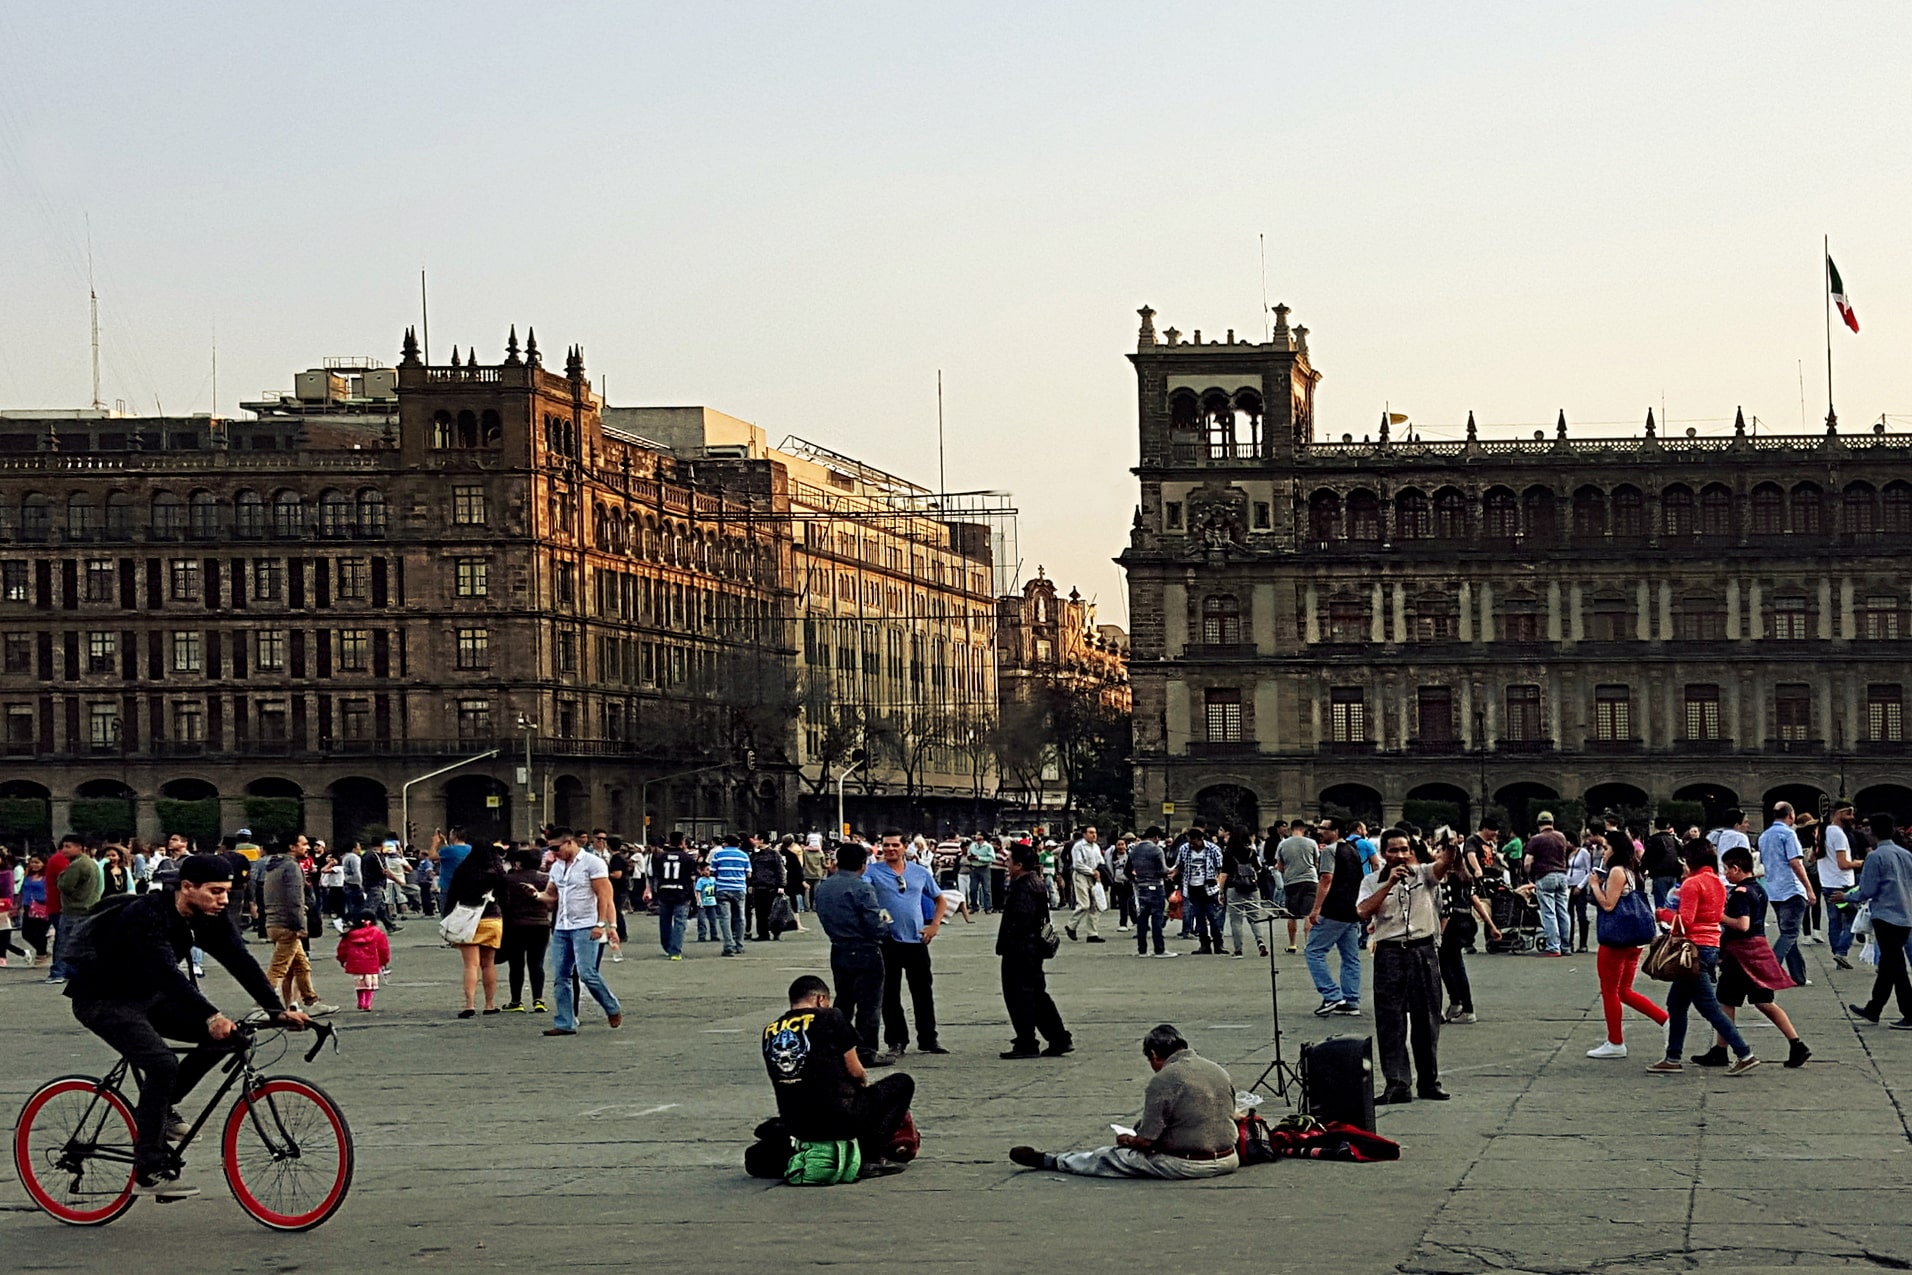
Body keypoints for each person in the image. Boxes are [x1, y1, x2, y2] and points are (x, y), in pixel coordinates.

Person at [66, 854, 312, 1194]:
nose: (224, 900)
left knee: (233, 1039)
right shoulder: (147, 914)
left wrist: (276, 1010)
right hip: (103, 1000)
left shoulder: (208, 918)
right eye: (215, 891)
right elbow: (166, 974)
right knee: (162, 1064)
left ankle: (160, 1109)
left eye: (227, 891)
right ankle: (149, 1167)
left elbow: (239, 959)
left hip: (149, 997)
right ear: (186, 887)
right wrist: (211, 1016)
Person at [1008, 1025, 1238, 1179]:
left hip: (1189, 1164)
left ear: (1155, 1054)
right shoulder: (1216, 1069)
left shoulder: (1165, 1079)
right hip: (1229, 1157)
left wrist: (1128, 1139)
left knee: (1108, 1157)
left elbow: (1147, 1140)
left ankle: (1053, 1161)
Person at [763, 975, 914, 1176]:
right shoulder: (830, 1016)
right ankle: (870, 1155)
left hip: (797, 1123)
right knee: (902, 1083)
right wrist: (864, 1089)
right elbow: (856, 1070)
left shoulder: (771, 1030)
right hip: (838, 1118)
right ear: (819, 999)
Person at [1690, 847, 1811, 1069]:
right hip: (1758, 949)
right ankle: (1796, 1043)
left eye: (1726, 869)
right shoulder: (1758, 889)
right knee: (1764, 1001)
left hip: (1741, 953)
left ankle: (1722, 1049)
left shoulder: (1740, 893)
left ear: (1736, 868)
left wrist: (1720, 917)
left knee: (1726, 1000)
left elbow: (1742, 924)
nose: (1725, 874)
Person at [1357, 828, 1452, 1103]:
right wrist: (1388, 885)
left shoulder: (1424, 874)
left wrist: (1452, 846)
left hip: (1422, 950)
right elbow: (1363, 911)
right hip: (1389, 953)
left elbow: (1444, 865)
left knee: (1427, 1019)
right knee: (1390, 1020)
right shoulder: (1371, 880)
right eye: (1393, 851)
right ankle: (1397, 1084)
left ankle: (1429, 1082)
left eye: (1404, 850)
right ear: (1384, 854)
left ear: (1411, 851)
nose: (1399, 856)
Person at [1648, 841, 1759, 1075]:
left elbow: (1684, 921)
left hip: (1692, 950)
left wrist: (1662, 913)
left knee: (1708, 1007)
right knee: (1677, 1004)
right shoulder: (1718, 882)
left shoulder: (1693, 884)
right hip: (1709, 946)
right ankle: (1672, 1056)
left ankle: (1744, 1052)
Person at [866, 830, 948, 1057]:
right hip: (887, 940)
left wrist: (935, 925)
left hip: (916, 940)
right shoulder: (872, 872)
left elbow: (940, 898)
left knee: (923, 992)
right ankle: (896, 1040)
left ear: (904, 847)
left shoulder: (919, 872)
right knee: (889, 993)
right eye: (886, 845)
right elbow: (863, 894)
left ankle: (928, 1038)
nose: (890, 849)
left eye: (895, 845)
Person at [1585, 834, 1666, 1058]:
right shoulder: (1633, 871)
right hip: (1634, 939)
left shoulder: (1617, 871)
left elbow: (1608, 904)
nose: (1603, 852)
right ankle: (1665, 1020)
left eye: (1607, 847)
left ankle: (1615, 1041)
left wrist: (1594, 886)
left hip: (1616, 938)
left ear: (1616, 849)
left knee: (1610, 990)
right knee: (1624, 990)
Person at [812, 841, 892, 1068]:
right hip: (864, 948)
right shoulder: (861, 887)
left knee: (844, 1001)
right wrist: (886, 927)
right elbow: (874, 923)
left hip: (838, 947)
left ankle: (838, 1048)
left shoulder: (825, 887)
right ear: (863, 865)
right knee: (869, 1004)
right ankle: (866, 1052)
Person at [536, 829, 623, 1037]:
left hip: (587, 924)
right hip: (562, 926)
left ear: (569, 843)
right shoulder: (557, 867)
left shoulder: (593, 863)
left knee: (586, 973)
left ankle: (611, 1006)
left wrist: (603, 924)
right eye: (550, 848)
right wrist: (535, 894)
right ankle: (566, 1022)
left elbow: (604, 896)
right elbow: (551, 895)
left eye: (556, 848)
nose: (553, 852)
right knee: (560, 976)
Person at [998, 843, 1071, 1058]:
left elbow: (1022, 918)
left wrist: (1010, 940)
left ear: (1019, 865)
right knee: (1037, 994)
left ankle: (1026, 1041)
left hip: (1021, 948)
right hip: (1032, 948)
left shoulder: (1023, 886)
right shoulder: (1035, 882)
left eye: (1010, 860)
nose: (1007, 864)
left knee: (1019, 996)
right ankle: (1058, 1037)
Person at [1846, 812, 1912, 1029]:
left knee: (1896, 966)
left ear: (1872, 832)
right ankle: (1874, 1008)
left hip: (1886, 915)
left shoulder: (1876, 856)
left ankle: (1910, 1013)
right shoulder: (1905, 853)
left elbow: (1867, 890)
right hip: (1906, 913)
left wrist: (1845, 897)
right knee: (1887, 965)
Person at [261, 837, 339, 1016]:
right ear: (291, 846)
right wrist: (300, 925)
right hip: (287, 924)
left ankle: (311, 1001)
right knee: (278, 968)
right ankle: (260, 1004)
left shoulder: (273, 866)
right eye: (303, 844)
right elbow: (296, 899)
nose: (308, 848)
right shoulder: (291, 867)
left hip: (274, 922)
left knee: (301, 965)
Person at [1304, 817, 1364, 1017]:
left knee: (1314, 951)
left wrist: (1316, 908)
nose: (1320, 831)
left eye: (1324, 828)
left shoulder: (1330, 851)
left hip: (1334, 909)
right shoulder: (1352, 850)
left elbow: (1326, 879)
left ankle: (1332, 995)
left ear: (1336, 831)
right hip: (1351, 909)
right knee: (1350, 957)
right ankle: (1351, 999)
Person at [1757, 802, 1815, 988]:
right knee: (1790, 933)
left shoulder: (1764, 836)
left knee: (1788, 934)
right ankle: (1769, 970)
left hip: (1774, 889)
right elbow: (1796, 863)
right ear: (1791, 815)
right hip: (1791, 888)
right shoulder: (1789, 834)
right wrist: (1809, 888)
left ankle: (1798, 975)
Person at [446, 841, 507, 1019]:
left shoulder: (463, 871)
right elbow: (505, 898)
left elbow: (452, 896)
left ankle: (469, 1004)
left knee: (470, 965)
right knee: (488, 964)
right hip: (492, 919)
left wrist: (448, 919)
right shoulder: (497, 872)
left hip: (467, 919)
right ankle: (489, 1004)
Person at [499, 847, 551, 1012]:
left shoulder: (508, 879)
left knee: (516, 964)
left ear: (518, 863)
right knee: (537, 963)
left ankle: (516, 1001)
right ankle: (538, 1000)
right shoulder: (546, 879)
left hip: (515, 925)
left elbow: (504, 903)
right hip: (541, 925)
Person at [1819, 803, 1862, 970]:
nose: (1852, 818)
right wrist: (1859, 863)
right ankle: (1841, 952)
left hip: (1827, 882)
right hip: (1842, 884)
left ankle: (1837, 953)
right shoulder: (1839, 835)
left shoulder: (1823, 831)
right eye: (1850, 813)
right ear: (1840, 813)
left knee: (1834, 921)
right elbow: (1843, 863)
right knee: (1853, 919)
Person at [1524, 812, 1573, 957]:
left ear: (1538, 824)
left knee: (1548, 912)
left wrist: (1529, 874)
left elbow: (1527, 862)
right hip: (1562, 875)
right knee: (1563, 911)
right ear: (1552, 822)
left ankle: (1553, 946)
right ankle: (1566, 946)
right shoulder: (1561, 837)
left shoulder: (1536, 839)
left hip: (1545, 875)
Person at [651, 832, 699, 960]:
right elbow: (692, 877)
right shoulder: (687, 858)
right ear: (682, 842)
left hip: (664, 891)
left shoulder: (660, 857)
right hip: (681, 892)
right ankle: (675, 950)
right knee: (680, 922)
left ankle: (667, 945)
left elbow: (656, 875)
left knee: (664, 921)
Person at [1127, 826, 1174, 958]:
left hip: (1141, 886)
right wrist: (1170, 872)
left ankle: (1142, 949)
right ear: (1156, 837)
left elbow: (1127, 870)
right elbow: (1163, 869)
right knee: (1157, 917)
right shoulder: (1156, 850)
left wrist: (1136, 878)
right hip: (1155, 886)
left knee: (1142, 917)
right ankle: (1159, 949)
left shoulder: (1134, 850)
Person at [1220, 827, 1266, 959]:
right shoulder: (1251, 852)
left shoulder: (1228, 853)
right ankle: (1260, 942)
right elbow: (1258, 869)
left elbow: (1224, 874)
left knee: (1236, 920)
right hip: (1251, 888)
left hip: (1234, 888)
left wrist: (1221, 892)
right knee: (1255, 917)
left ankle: (1238, 949)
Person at [1276, 822, 1319, 954]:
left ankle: (1292, 944)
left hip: (1291, 881)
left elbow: (1280, 866)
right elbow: (1316, 863)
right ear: (1303, 829)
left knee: (1292, 914)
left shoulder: (1283, 844)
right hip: (1310, 880)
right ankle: (1308, 944)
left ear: (1291, 829)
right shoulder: (1312, 843)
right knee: (1308, 913)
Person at [336, 911, 391, 1012]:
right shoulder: (377, 933)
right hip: (372, 963)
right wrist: (384, 962)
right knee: (370, 985)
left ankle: (361, 1002)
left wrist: (342, 960)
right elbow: (384, 949)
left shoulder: (350, 934)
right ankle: (368, 1003)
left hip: (356, 963)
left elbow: (342, 949)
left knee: (359, 984)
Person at [709, 835, 751, 956]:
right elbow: (749, 874)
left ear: (726, 843)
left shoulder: (718, 855)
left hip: (722, 888)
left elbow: (712, 871)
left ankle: (728, 945)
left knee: (725, 918)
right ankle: (739, 944)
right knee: (740, 917)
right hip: (739, 889)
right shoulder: (744, 855)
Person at [1066, 826, 1106, 943]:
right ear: (1084, 834)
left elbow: (1100, 861)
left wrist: (1099, 872)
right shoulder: (1079, 847)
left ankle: (1092, 934)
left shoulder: (1096, 847)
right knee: (1084, 904)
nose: (1094, 835)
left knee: (1095, 905)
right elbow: (1077, 864)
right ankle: (1071, 925)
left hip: (1094, 876)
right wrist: (1091, 871)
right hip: (1081, 876)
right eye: (1091, 832)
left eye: (1095, 832)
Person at [1642, 817, 1686, 909]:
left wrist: (1642, 870)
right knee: (1672, 901)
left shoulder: (1654, 840)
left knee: (1661, 903)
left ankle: (1662, 921)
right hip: (1674, 874)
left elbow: (1648, 857)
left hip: (1659, 874)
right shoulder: (1673, 839)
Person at [965, 833, 996, 915]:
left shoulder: (988, 846)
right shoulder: (972, 846)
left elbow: (992, 858)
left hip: (984, 868)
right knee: (973, 889)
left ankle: (988, 907)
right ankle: (974, 906)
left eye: (978, 834)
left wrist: (979, 858)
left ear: (983, 837)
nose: (976, 836)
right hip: (974, 868)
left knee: (986, 889)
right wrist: (970, 857)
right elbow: (968, 854)